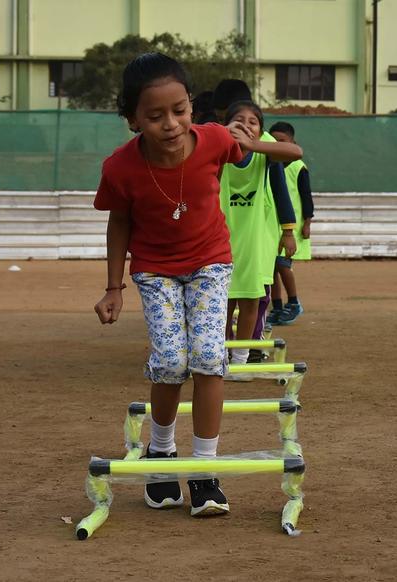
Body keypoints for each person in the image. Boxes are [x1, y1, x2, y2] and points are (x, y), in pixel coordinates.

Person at [92, 52, 267, 517]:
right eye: (154, 115)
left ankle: (205, 471)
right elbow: (118, 223)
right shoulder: (121, 168)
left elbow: (244, 151)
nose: (170, 124)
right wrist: (114, 287)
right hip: (155, 269)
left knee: (210, 356)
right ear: (132, 120)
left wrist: (252, 139)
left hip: (211, 262)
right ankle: (162, 453)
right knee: (170, 361)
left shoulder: (212, 141)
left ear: (191, 106)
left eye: (179, 110)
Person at [219, 100, 301, 364]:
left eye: (253, 122)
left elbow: (295, 152)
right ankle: (219, 355)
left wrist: (288, 230)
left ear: (261, 131)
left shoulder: (265, 155)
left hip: (254, 240)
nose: (245, 125)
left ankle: (241, 358)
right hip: (221, 240)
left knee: (251, 299)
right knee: (223, 302)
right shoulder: (216, 151)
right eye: (239, 120)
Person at [267, 121, 314, 325]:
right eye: (273, 141)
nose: (277, 144)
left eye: (282, 141)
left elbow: (306, 196)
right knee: (270, 268)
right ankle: (277, 306)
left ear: (292, 142)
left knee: (282, 264)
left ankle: (294, 303)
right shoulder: (266, 163)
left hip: (289, 226)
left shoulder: (298, 166)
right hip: (270, 225)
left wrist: (307, 222)